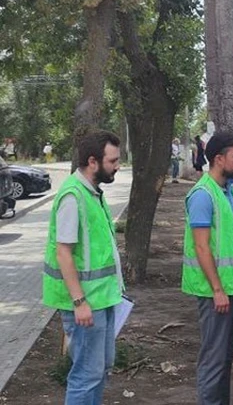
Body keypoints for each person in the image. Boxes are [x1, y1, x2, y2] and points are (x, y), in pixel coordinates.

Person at [41, 130, 123, 405]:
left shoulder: (91, 193)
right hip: (86, 304)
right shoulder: (72, 197)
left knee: (98, 370)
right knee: (86, 375)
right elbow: (63, 253)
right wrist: (79, 302)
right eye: (113, 161)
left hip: (102, 298)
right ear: (93, 161)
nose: (117, 166)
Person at [181, 131, 233, 405]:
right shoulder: (203, 196)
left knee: (226, 358)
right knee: (213, 361)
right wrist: (217, 289)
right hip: (216, 292)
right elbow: (202, 248)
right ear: (218, 159)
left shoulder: (229, 190)